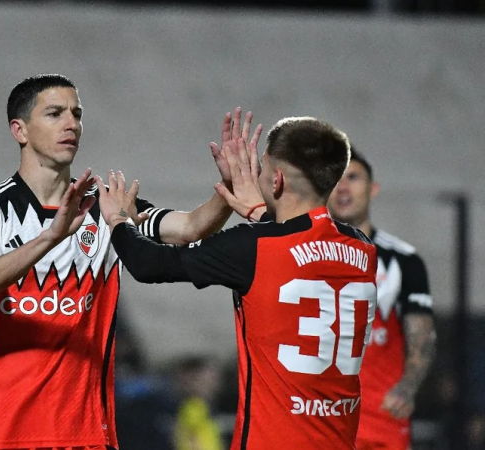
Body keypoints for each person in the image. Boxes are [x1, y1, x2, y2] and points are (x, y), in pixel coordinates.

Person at [0, 74, 247, 450]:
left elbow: (190, 227)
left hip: (87, 434)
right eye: (55, 113)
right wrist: (51, 237)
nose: (71, 123)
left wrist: (228, 188)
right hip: (3, 432)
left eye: (76, 113)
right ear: (20, 130)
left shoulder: (106, 205)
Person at [99, 116, 378, 449]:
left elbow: (147, 265)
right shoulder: (361, 248)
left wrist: (118, 219)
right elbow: (301, 248)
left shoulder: (253, 247)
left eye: (261, 169)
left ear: (277, 180)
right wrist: (260, 214)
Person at [328, 148, 436, 450]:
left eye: (353, 177)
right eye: (336, 178)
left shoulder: (403, 260)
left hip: (379, 421)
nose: (344, 186)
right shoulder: (300, 254)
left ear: (373, 189)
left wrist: (407, 388)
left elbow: (423, 338)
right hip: (316, 418)